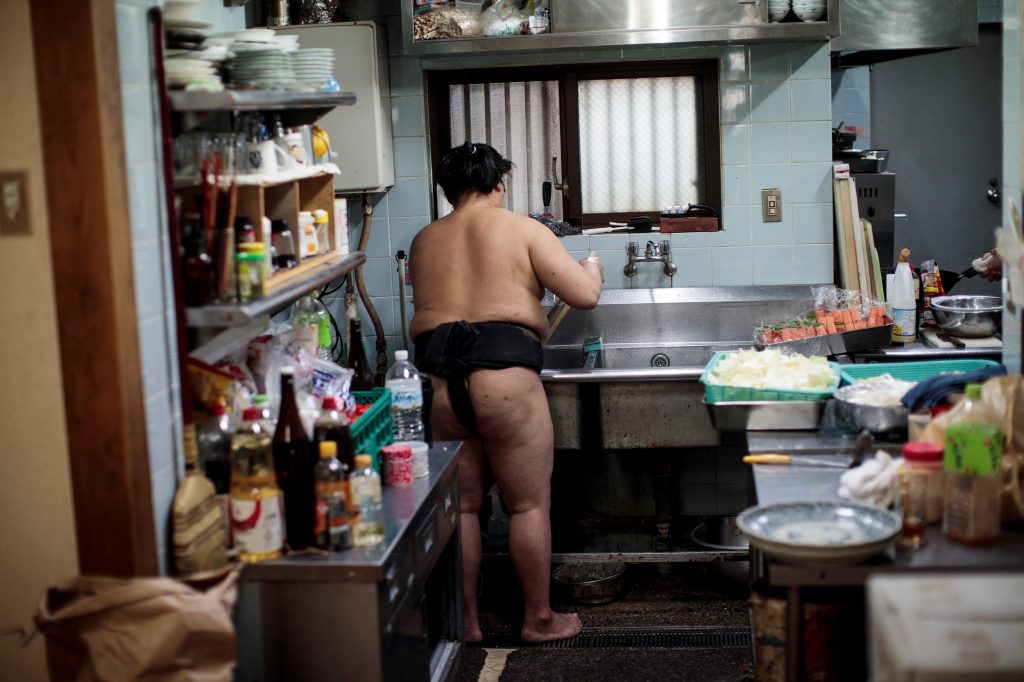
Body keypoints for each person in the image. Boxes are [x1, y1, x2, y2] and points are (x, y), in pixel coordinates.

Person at [409, 142, 604, 643]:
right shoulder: (522, 229)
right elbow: (582, 296)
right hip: (505, 377)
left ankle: (465, 622)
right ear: (500, 183)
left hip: (440, 380)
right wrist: (593, 271)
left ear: (447, 190)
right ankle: (538, 619)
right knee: (528, 506)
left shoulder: (425, 239)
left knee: (465, 507)